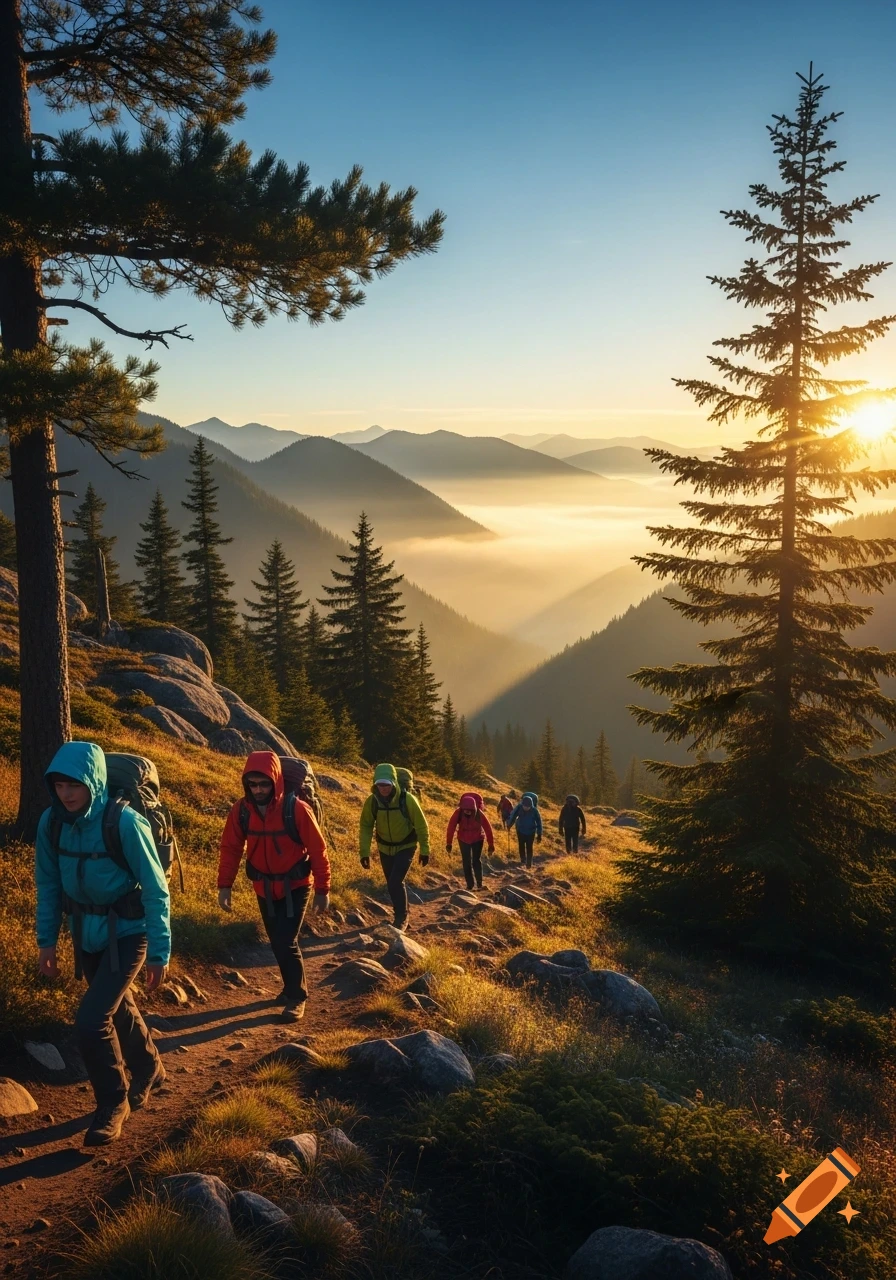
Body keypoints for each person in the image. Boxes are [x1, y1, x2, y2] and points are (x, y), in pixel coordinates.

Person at [35, 741, 170, 1146]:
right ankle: (149, 1069)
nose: (67, 793)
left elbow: (155, 889)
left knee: (92, 1020)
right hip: (87, 936)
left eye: (74, 785)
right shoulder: (51, 823)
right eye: (59, 786)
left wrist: (160, 951)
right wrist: (47, 943)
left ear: (93, 781)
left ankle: (113, 1102)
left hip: (130, 933)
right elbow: (48, 884)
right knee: (118, 1007)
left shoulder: (124, 823)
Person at [218, 751, 330, 1023]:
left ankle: (297, 998)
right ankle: (290, 988)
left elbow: (318, 850)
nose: (258, 790)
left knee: (285, 940)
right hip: (263, 887)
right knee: (277, 941)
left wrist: (323, 890)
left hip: (296, 885)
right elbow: (231, 848)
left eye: (264, 784)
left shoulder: (297, 809)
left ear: (276, 780)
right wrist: (225, 885)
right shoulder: (241, 810)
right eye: (253, 784)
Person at [359, 763, 430, 931]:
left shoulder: (408, 800)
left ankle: (401, 918)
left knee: (394, 882)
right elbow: (366, 826)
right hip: (384, 848)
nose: (383, 788)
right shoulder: (372, 802)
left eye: (387, 784)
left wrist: (425, 850)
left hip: (407, 846)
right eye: (380, 784)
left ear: (394, 783)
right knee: (394, 882)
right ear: (375, 784)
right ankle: (402, 913)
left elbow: (421, 825)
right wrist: (364, 852)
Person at [447, 792, 495, 890]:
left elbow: (488, 829)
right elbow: (451, 827)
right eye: (465, 810)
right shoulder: (458, 812)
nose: (467, 812)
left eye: (470, 810)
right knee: (466, 861)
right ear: (462, 808)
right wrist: (449, 843)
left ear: (474, 808)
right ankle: (470, 885)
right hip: (463, 839)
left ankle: (479, 883)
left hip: (478, 838)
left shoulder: (479, 814)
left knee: (476, 860)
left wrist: (491, 844)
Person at [506, 791, 542, 868]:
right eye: (524, 806)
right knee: (521, 845)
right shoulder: (519, 807)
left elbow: (539, 822)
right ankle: (523, 860)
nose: (526, 808)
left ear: (531, 805)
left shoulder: (535, 811)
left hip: (531, 831)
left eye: (527, 807)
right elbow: (513, 816)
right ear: (522, 804)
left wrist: (539, 834)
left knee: (529, 847)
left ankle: (529, 864)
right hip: (520, 830)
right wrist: (509, 825)